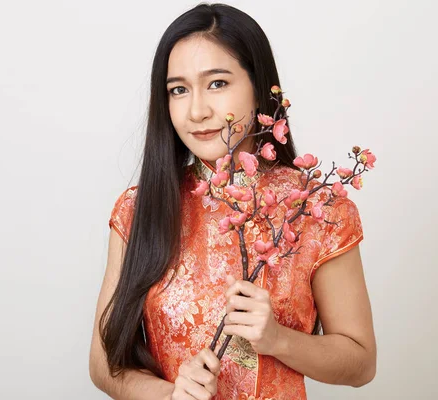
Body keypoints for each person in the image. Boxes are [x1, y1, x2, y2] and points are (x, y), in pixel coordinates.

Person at [89, 3, 376, 399]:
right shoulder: (139, 210)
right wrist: (170, 395)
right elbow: (104, 365)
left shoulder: (315, 208)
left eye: (217, 83)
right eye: (178, 90)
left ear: (258, 87)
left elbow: (361, 363)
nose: (197, 110)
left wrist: (278, 339)